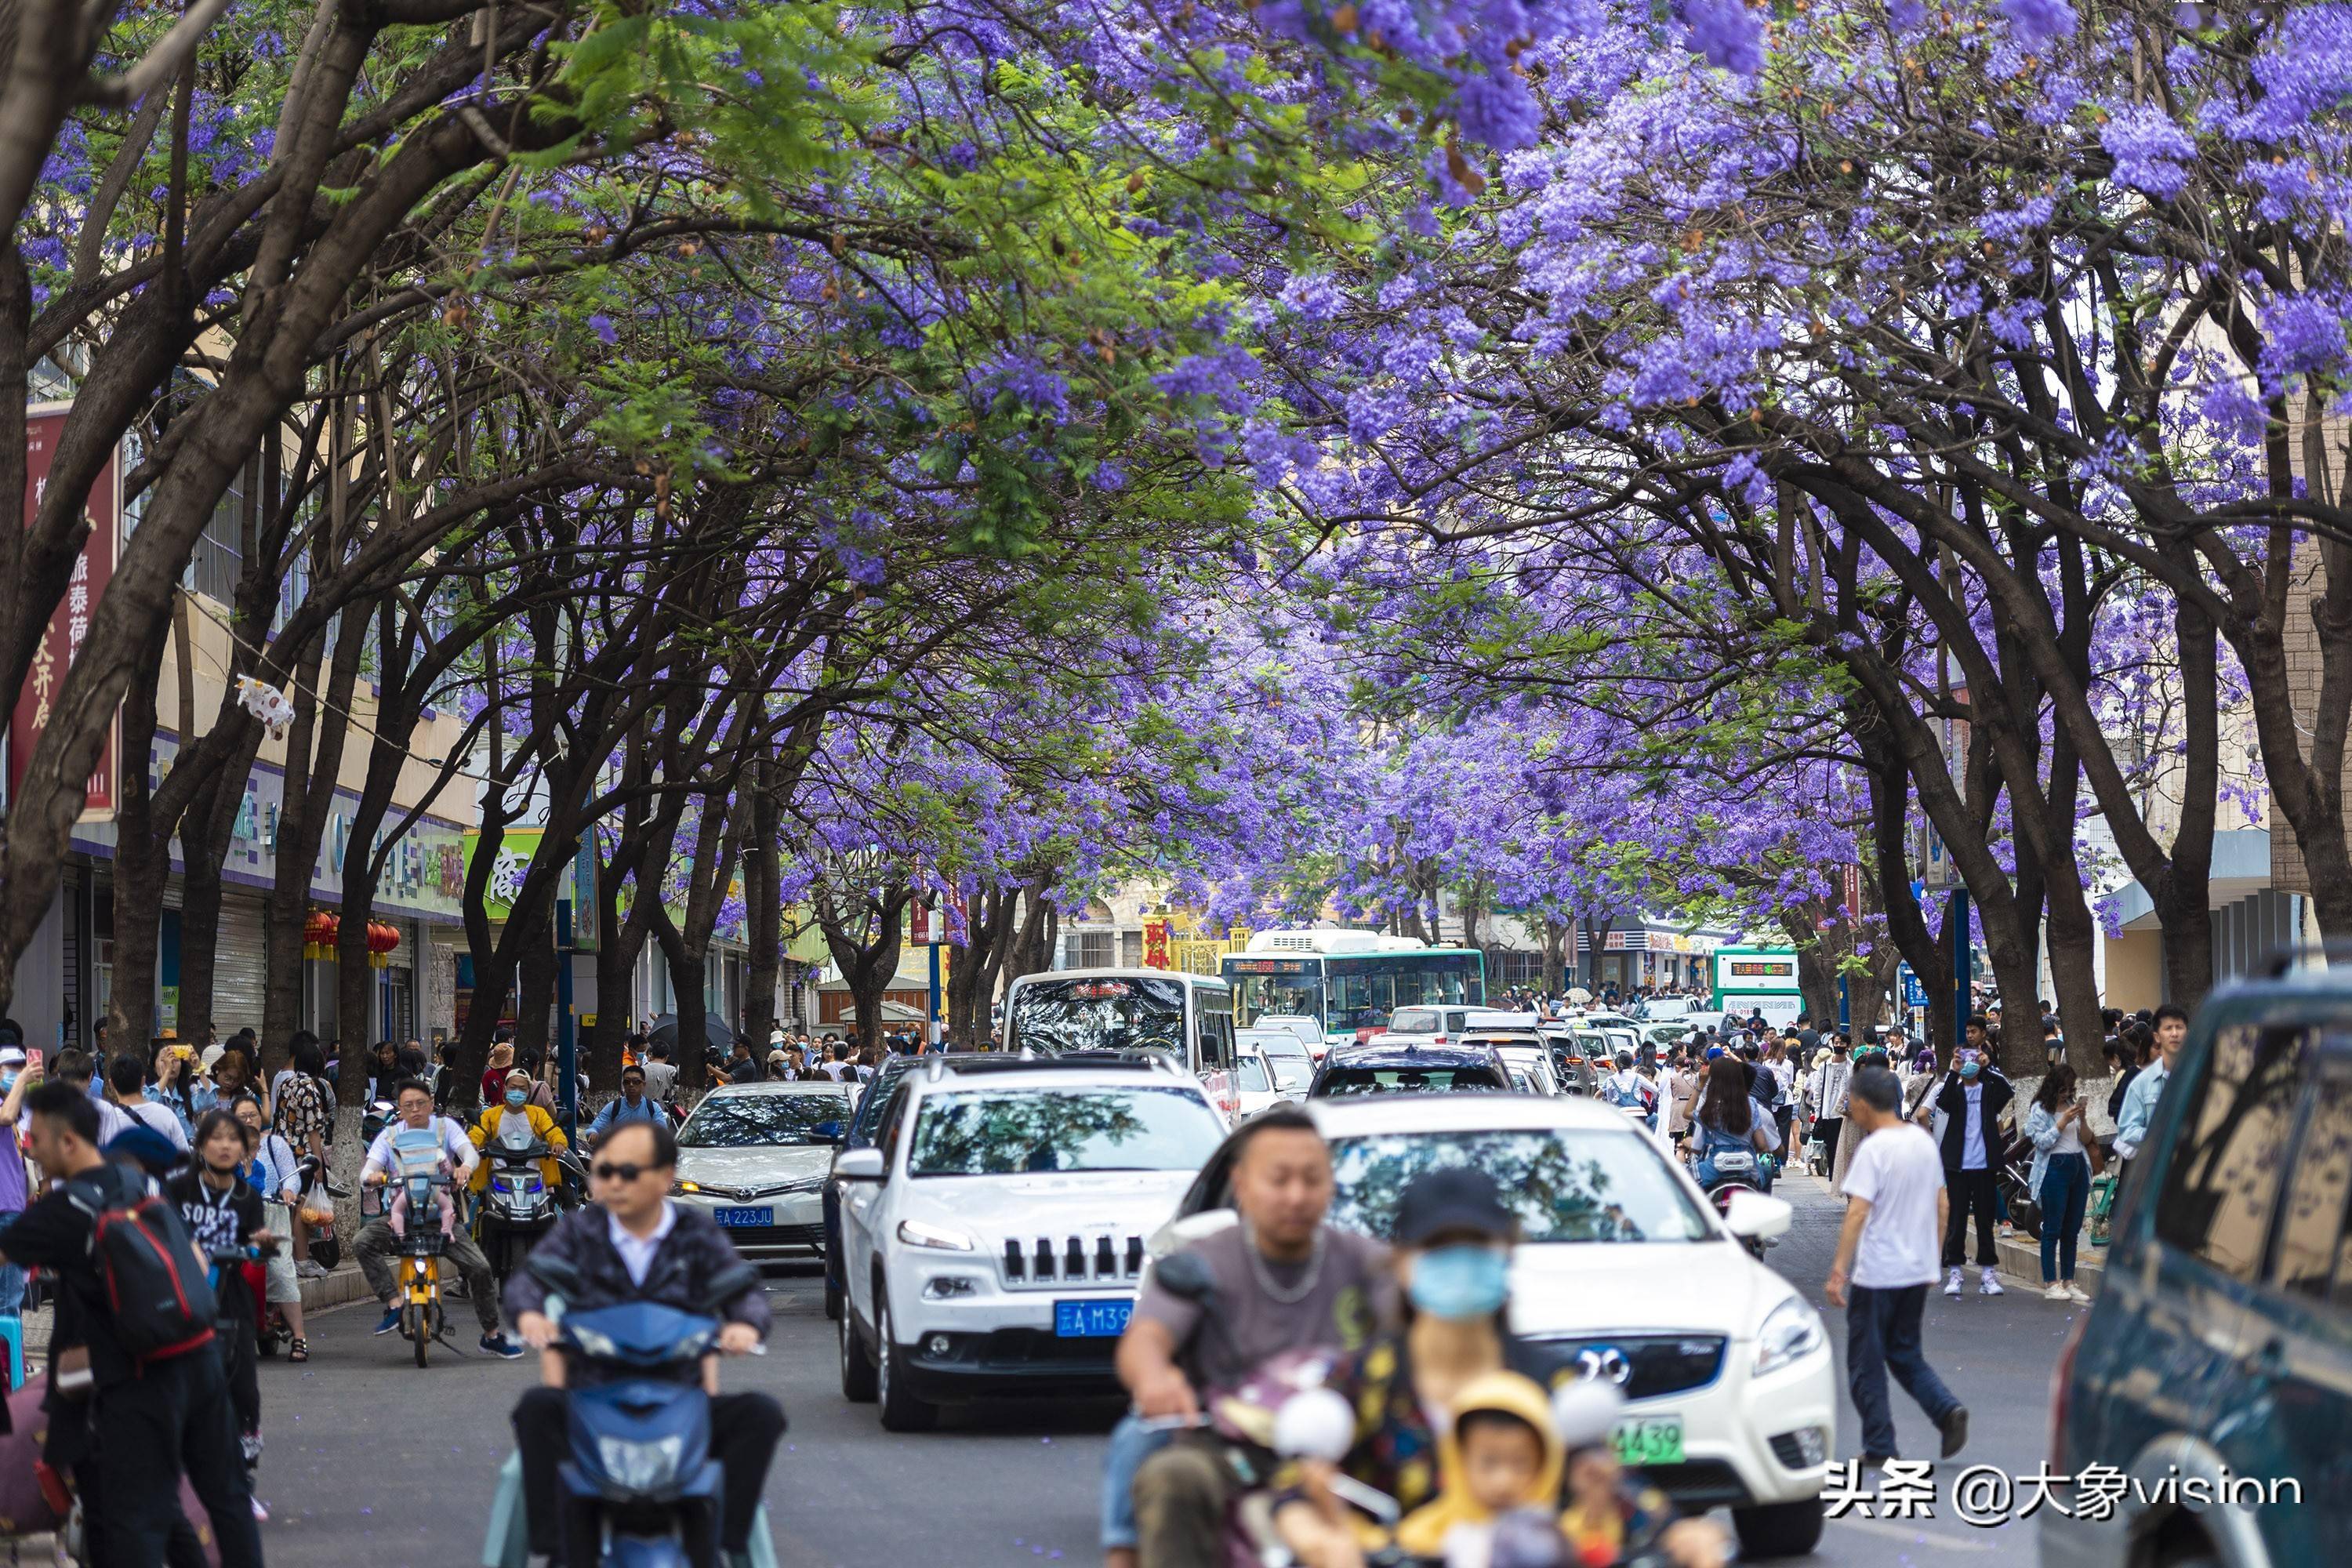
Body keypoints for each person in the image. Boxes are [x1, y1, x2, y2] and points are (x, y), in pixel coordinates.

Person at [1268, 1168, 1724, 1568]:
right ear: (1402, 1262)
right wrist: (1317, 1536)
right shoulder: (1365, 1380)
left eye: (1477, 1244)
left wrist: (1679, 1535)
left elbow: (1612, 1486)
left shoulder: (1550, 1383)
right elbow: (1294, 1485)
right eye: (1439, 1247)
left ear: (1506, 1250)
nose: (1460, 1263)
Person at [1117, 1107, 1396, 1568]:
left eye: (1311, 1179)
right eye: (1279, 1179)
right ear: (1242, 1186)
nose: (1296, 1196)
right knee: (1172, 1474)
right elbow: (1146, 1337)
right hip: (1231, 1451)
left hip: (1348, 1451)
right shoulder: (1206, 1259)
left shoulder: (1367, 1263)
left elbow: (1415, 1337)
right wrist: (1156, 1378)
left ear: (1330, 1184)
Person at [0, 1082, 266, 1566]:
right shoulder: (131, 1180)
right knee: (226, 1498)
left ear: (68, 1141)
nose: (28, 1146)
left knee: (135, 1519)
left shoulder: (63, 1211)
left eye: (34, 1137)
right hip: (199, 1356)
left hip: (136, 1377)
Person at [508, 1118, 785, 1568]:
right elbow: (528, 1283)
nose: (614, 1182)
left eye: (629, 1172)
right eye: (605, 1171)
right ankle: (556, 1542)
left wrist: (746, 1325)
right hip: (592, 1398)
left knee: (762, 1414)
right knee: (536, 1408)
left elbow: (745, 1291)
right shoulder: (581, 1232)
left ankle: (726, 1538)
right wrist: (531, 1313)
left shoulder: (694, 1233)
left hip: (682, 1398)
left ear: (665, 1177)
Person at [1824, 1066, 1968, 1468]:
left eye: (1852, 1100)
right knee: (1904, 1352)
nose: (1850, 1108)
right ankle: (1945, 1410)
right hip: (1916, 1269)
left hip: (1878, 1274)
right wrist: (1932, 1261)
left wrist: (1838, 1271)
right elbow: (1943, 1205)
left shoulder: (1874, 1149)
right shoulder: (1922, 1143)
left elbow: (1857, 1213)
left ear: (1864, 1104)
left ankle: (1880, 1444)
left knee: (1865, 1361)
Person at [355, 1080, 524, 1357]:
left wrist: (465, 1168)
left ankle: (491, 1335)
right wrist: (371, 1176)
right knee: (362, 1241)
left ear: (431, 1104)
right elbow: (368, 1171)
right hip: (401, 1217)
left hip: (441, 1218)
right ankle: (395, 1304)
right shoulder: (389, 1136)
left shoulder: (446, 1129)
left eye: (421, 1104)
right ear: (400, 1109)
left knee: (481, 1268)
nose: (415, 1110)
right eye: (408, 1105)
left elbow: (468, 1152)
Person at [166, 1107, 272, 1513]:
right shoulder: (177, 1187)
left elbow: (256, 1251)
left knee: (242, 1387)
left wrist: (261, 1246)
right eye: (218, 1138)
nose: (226, 1146)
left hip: (231, 1300)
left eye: (235, 1139)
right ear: (201, 1143)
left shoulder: (249, 1197)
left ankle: (243, 1481)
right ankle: (179, 1483)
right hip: (181, 1301)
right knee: (182, 1390)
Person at [1927, 1040, 2012, 1298]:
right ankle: (1955, 1272)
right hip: (1957, 1167)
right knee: (1957, 1221)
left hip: (1984, 1166)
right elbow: (1942, 1102)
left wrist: (1988, 1066)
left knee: (1986, 1222)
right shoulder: (1953, 1090)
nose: (1968, 1063)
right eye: (1964, 1058)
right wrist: (1953, 1070)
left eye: (1973, 1058)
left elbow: (2008, 1091)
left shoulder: (1989, 1089)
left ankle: (1988, 1273)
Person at [231, 1091, 308, 1360]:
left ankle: (299, 1337)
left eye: (253, 1114)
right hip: (233, 1219)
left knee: (280, 1270)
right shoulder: (225, 1149)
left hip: (271, 1214)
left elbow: (290, 1176)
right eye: (242, 1116)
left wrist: (288, 1191)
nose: (249, 1119)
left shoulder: (274, 1143)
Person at [2025, 1064, 2093, 1302]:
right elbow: (2040, 1142)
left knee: (2072, 1229)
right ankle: (2051, 1282)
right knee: (2052, 1228)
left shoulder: (2072, 1107)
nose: (2067, 1094)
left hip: (2078, 1165)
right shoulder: (2040, 1109)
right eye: (2063, 1089)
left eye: (2070, 1089)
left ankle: (2069, 1280)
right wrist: (2061, 1122)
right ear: (2053, 1087)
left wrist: (2082, 1120)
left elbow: (2085, 1139)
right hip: (2054, 1168)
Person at [274, 1034, 334, 1278]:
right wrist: (317, 1162)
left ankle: (287, 1257)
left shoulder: (286, 1084)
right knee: (301, 1208)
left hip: (282, 1153)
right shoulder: (310, 1087)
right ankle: (301, 1260)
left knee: (287, 1207)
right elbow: (313, 1128)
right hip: (303, 1156)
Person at [470, 1068, 572, 1196]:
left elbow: (552, 1131)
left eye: (522, 1089)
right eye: (513, 1087)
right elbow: (478, 1131)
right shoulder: (490, 1115)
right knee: (481, 1205)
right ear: (505, 1088)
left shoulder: (538, 1114)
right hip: (498, 1176)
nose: (517, 1092)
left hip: (533, 1177)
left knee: (550, 1205)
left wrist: (558, 1142)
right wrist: (474, 1143)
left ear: (528, 1092)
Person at [2111, 1004, 2187, 1178]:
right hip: (2147, 1167)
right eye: (2168, 1028)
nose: (2174, 1034)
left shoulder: (2192, 1077)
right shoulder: (2139, 1079)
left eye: (2180, 1028)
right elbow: (2125, 1124)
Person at [1690, 1057, 1777, 1189]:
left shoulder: (1710, 1108)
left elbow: (1688, 1114)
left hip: (1714, 1168)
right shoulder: (1752, 1105)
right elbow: (1762, 1145)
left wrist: (1700, 1085)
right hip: (1749, 1169)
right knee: (1766, 1172)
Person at [0, 1046, 33, 1314]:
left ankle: (10, 1355)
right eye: (11, 1068)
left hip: (13, 1207)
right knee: (8, 1298)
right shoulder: (7, 1109)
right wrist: (22, 1083)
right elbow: (6, 1117)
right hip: (4, 1210)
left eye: (21, 1068)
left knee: (12, 1296)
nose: (18, 1073)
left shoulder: (19, 1108)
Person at [111, 1052, 193, 1154]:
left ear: (111, 1084)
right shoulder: (167, 1115)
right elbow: (184, 1161)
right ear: (143, 1081)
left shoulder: (108, 1120)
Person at [585, 1064, 665, 1145]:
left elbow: (662, 1133)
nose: (631, 1085)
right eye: (627, 1082)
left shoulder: (653, 1108)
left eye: (636, 1082)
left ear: (643, 1084)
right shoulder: (614, 1107)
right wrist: (593, 1133)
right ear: (623, 1085)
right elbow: (595, 1127)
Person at [1806, 1038, 1852, 1180]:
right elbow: (1818, 1091)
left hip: (1846, 1113)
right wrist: (1818, 1112)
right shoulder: (1825, 1066)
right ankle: (1834, 1176)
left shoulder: (1852, 1066)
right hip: (1828, 1113)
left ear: (1847, 1046)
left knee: (1846, 1147)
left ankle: (1845, 1176)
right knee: (1832, 1147)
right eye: (1836, 1043)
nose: (1839, 1046)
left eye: (1842, 1043)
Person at [639, 1039, 679, 1104]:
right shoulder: (672, 1070)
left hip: (644, 1107)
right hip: (664, 1109)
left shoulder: (641, 1070)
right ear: (666, 1057)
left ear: (651, 1054)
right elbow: (675, 1091)